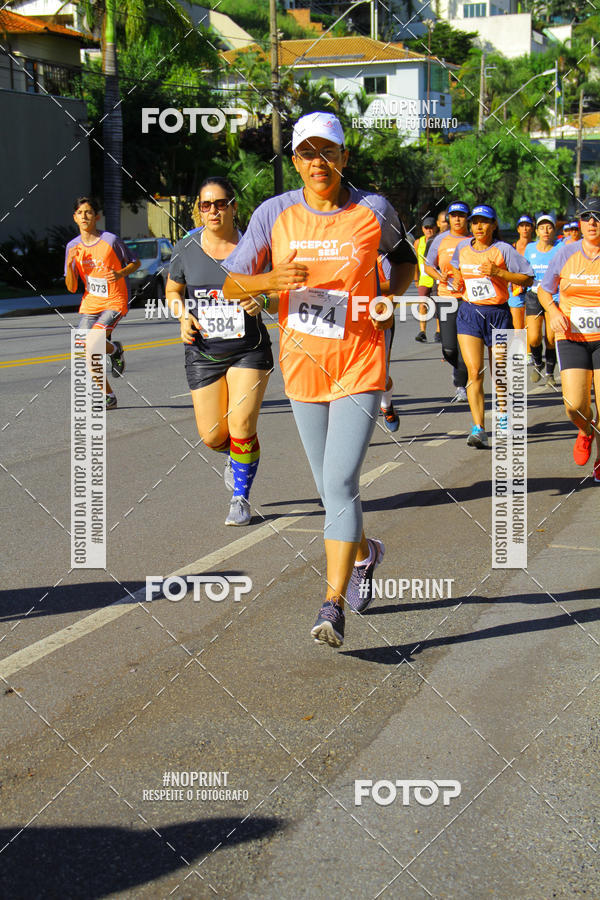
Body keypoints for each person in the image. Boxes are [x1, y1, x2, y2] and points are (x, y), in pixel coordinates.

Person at [222, 111, 416, 647]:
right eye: (306, 153)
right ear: (295, 160)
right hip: (303, 366)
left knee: (340, 483)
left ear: (343, 156)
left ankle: (331, 604)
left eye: (326, 151)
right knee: (328, 488)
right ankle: (365, 553)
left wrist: (387, 297)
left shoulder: (373, 210)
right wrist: (267, 279)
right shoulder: (273, 213)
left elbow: (405, 264)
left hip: (359, 361)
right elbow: (231, 287)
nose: (317, 162)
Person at [165, 177, 274, 526]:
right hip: (203, 351)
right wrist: (182, 316)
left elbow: (278, 284)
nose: (213, 210)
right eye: (206, 205)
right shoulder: (187, 247)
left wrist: (263, 297)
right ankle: (237, 456)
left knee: (241, 424)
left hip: (249, 349)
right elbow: (172, 291)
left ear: (234, 206)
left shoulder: (255, 246)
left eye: (221, 203)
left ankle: (240, 498)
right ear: (199, 209)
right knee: (213, 435)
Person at [450, 204, 534, 448]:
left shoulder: (504, 250)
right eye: (474, 221)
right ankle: (478, 428)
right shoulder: (462, 249)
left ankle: (504, 415)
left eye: (484, 221)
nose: (478, 226)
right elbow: (457, 270)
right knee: (474, 371)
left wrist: (499, 272)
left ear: (494, 225)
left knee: (499, 371)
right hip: (469, 313)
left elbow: (527, 277)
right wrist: (456, 279)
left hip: (497, 313)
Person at [538, 197, 600, 482]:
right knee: (574, 405)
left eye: (597, 217)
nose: (592, 223)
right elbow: (543, 290)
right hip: (572, 336)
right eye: (586, 217)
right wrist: (552, 310)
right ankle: (586, 430)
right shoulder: (566, 253)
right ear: (579, 222)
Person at [65, 197, 140, 409]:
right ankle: (109, 395)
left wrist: (120, 273)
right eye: (80, 213)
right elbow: (71, 287)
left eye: (89, 212)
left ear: (97, 216)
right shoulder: (72, 247)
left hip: (115, 300)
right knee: (85, 347)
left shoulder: (110, 240)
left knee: (92, 342)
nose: (84, 216)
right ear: (75, 218)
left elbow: (135, 262)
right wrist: (70, 264)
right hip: (90, 303)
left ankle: (113, 350)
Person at [424, 200, 470, 402]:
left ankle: (462, 384)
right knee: (449, 347)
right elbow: (428, 266)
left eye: (461, 215)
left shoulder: (473, 240)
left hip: (469, 299)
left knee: (464, 347)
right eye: (454, 215)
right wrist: (437, 276)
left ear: (467, 218)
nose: (457, 219)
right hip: (445, 297)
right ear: (449, 218)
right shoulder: (440, 240)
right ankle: (457, 371)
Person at [524, 213, 561, 386]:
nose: (546, 231)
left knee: (551, 339)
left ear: (554, 230)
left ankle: (550, 374)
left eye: (549, 227)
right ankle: (538, 363)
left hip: (553, 296)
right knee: (533, 338)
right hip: (533, 295)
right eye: (542, 227)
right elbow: (524, 271)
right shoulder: (530, 249)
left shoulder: (560, 248)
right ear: (537, 231)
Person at [413, 216, 440, 343]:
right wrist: (416, 279)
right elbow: (414, 262)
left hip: (436, 278)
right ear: (422, 229)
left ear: (436, 228)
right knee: (422, 304)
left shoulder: (439, 240)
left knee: (438, 306)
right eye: (426, 227)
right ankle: (422, 331)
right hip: (424, 279)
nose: (429, 230)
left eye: (431, 227)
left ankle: (439, 331)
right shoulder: (418, 242)